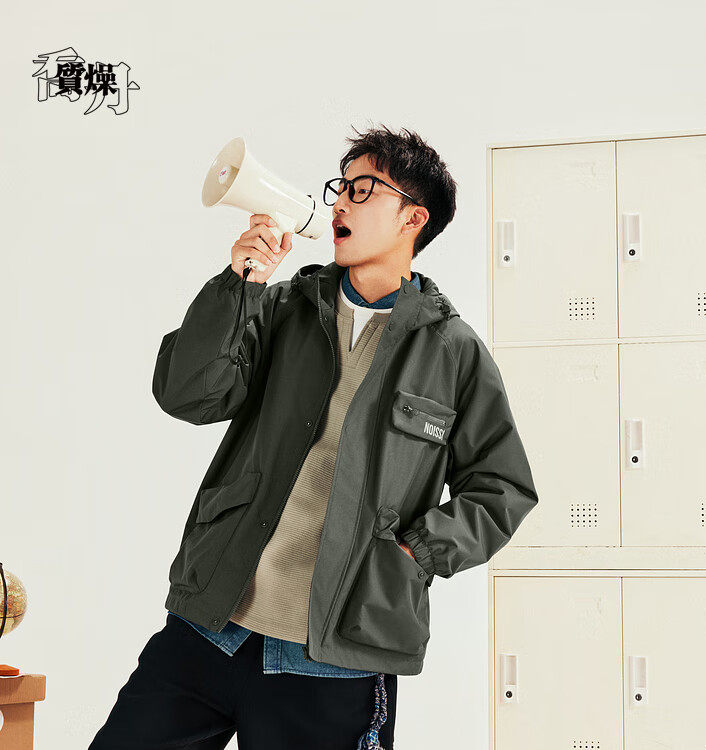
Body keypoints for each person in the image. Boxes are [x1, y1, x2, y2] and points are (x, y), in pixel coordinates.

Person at [89, 124, 539, 749]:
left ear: (413, 218)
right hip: (209, 627)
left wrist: (414, 553)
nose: (339, 204)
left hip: (335, 656)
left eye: (362, 190)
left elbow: (502, 489)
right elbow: (188, 393)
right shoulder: (280, 308)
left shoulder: (453, 352)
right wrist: (241, 283)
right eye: (340, 188)